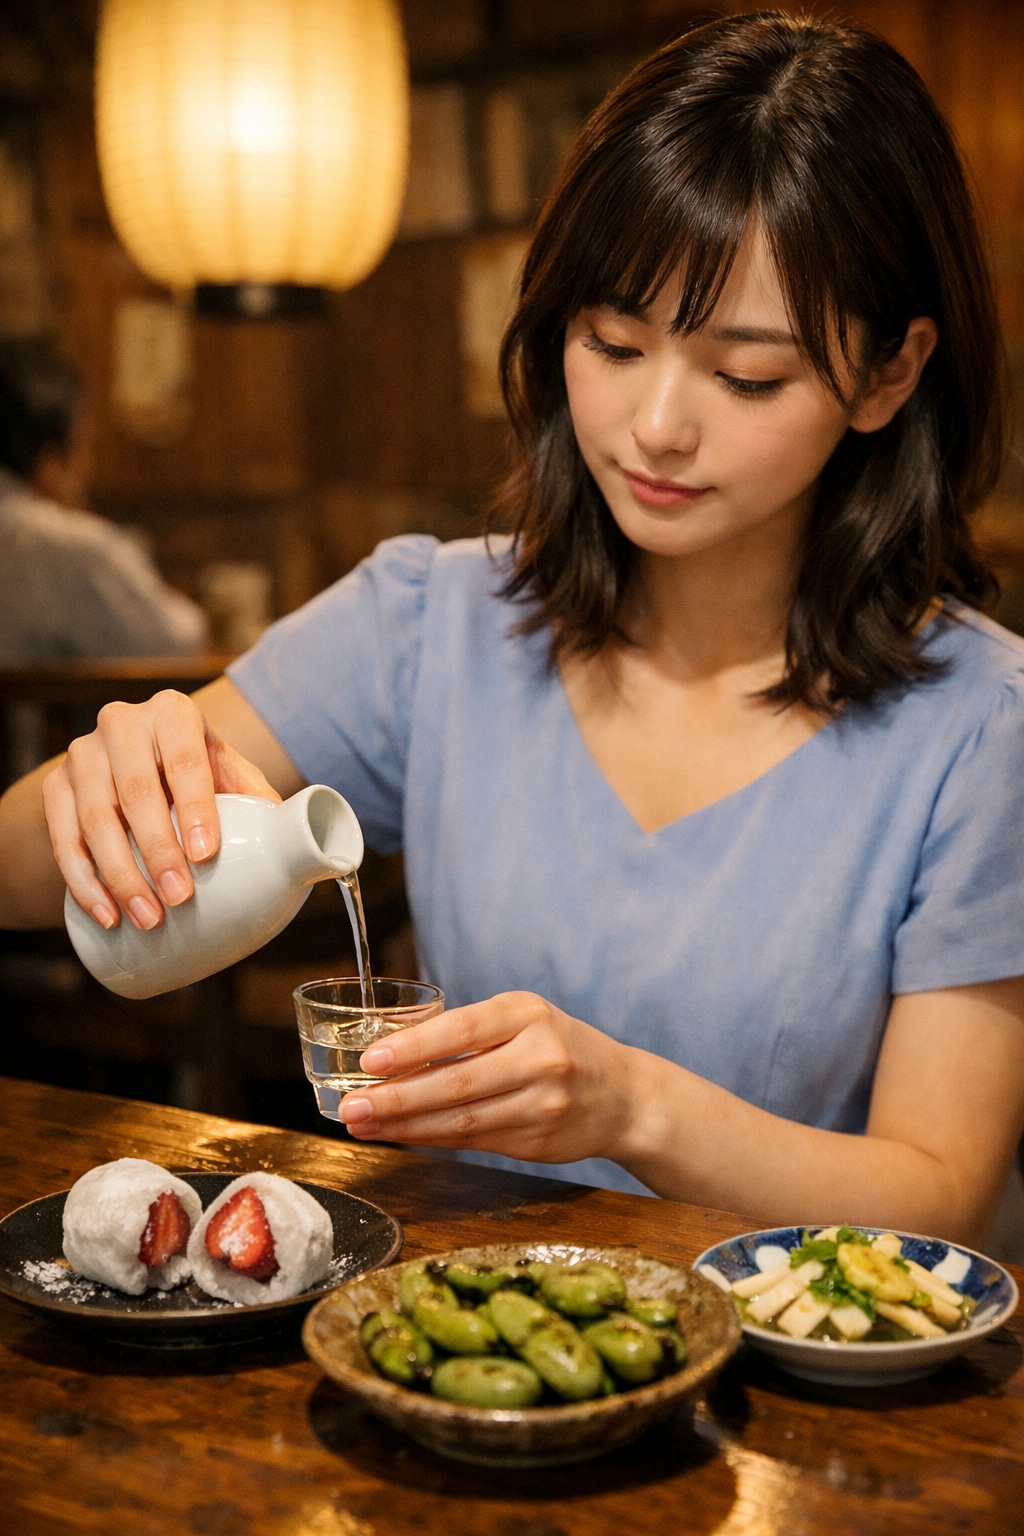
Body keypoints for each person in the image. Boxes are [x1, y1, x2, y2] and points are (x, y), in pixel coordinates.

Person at [3, 13, 1024, 1260]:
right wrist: (108, 787)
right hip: (458, 1369)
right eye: (611, 342)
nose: (653, 426)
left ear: (887, 373)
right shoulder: (435, 624)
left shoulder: (981, 723)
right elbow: (19, 873)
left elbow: (943, 1196)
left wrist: (633, 1106)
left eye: (745, 377)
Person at [0, 338, 209, 660]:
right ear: (50, 464)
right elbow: (177, 644)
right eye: (86, 445)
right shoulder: (71, 547)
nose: (89, 466)